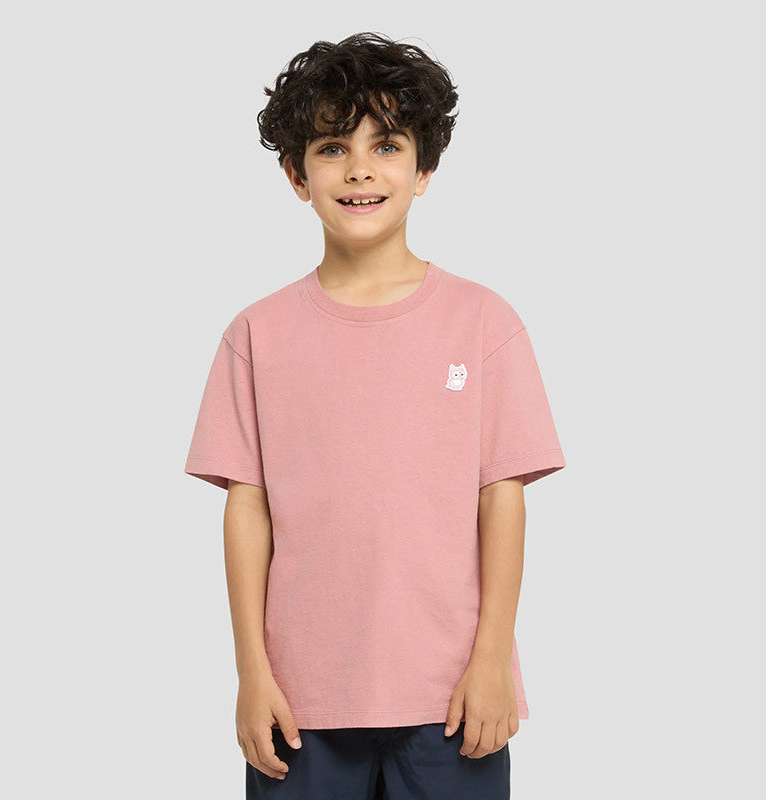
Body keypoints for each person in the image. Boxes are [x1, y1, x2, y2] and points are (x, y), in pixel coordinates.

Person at [184, 31, 566, 800]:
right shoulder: (257, 335)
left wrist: (493, 659)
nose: (359, 168)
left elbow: (501, 497)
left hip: (452, 698)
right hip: (302, 704)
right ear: (297, 175)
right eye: (332, 147)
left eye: (386, 145)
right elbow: (247, 508)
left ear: (423, 169)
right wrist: (252, 673)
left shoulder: (483, 323)